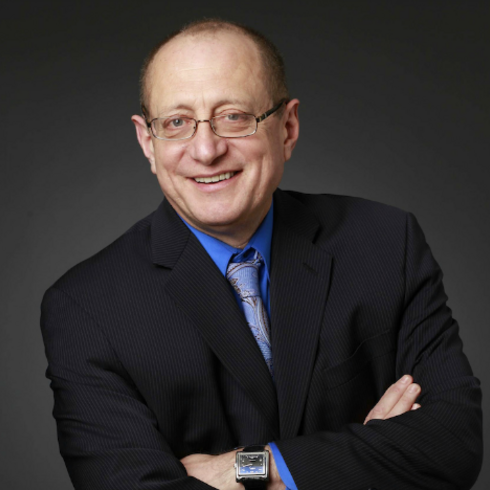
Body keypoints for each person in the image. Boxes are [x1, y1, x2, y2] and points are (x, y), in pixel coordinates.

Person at [40, 19, 482, 490]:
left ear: (287, 128)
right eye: (177, 123)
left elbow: (453, 443)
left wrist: (250, 468)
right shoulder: (86, 307)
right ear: (148, 142)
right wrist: (365, 454)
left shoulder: (386, 243)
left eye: (233, 116)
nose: (206, 150)